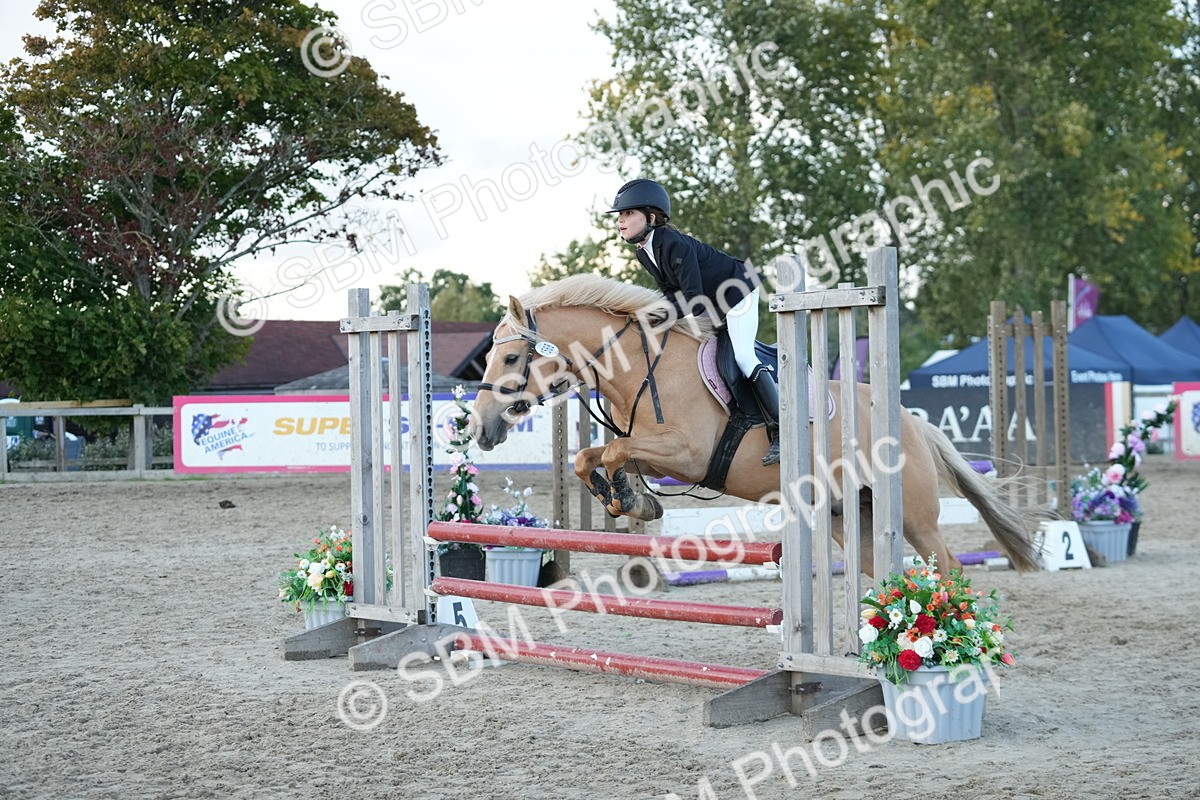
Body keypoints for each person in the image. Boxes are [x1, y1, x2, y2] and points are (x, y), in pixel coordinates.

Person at [607, 178, 780, 466]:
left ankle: (780, 431)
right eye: (621, 216)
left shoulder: (674, 244)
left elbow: (692, 298)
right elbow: (671, 295)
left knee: (743, 355)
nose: (621, 222)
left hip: (737, 293)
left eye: (628, 214)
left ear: (651, 217)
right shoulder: (644, 252)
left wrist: (656, 315)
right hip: (709, 305)